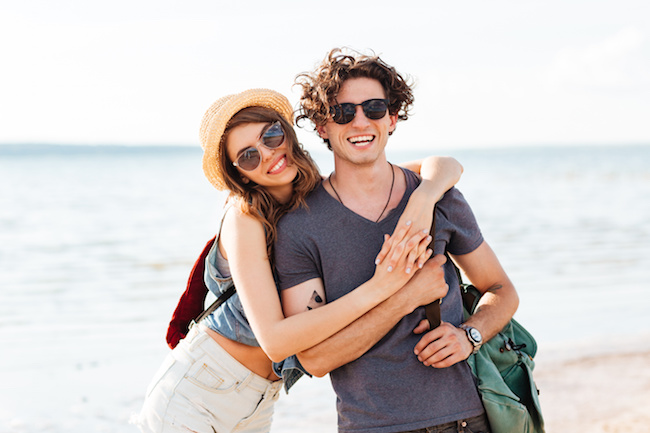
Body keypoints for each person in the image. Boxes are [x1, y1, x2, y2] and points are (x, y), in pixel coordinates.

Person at [137, 88, 463, 433]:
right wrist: (380, 288)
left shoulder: (320, 197)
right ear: (241, 175)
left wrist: (424, 198)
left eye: (271, 135)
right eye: (248, 156)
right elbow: (275, 341)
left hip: (259, 398)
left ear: (286, 132)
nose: (268, 154)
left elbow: (444, 166)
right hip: (198, 392)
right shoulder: (244, 217)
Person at [275, 49, 520, 433]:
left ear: (391, 119)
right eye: (343, 112)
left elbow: (502, 290)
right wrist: (403, 297)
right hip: (370, 426)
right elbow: (315, 359)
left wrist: (469, 335)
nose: (360, 121)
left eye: (373, 108)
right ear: (322, 126)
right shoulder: (298, 228)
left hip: (465, 419)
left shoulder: (438, 197)